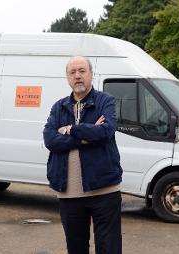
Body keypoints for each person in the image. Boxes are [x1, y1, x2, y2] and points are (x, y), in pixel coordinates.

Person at [43, 56, 123, 254]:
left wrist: (70, 129)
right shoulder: (58, 107)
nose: (77, 76)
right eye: (73, 72)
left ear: (91, 74)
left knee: (108, 248)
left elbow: (106, 131)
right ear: (67, 78)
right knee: (76, 248)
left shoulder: (105, 101)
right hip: (69, 192)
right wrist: (84, 136)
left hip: (104, 190)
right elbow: (50, 140)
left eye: (82, 71)